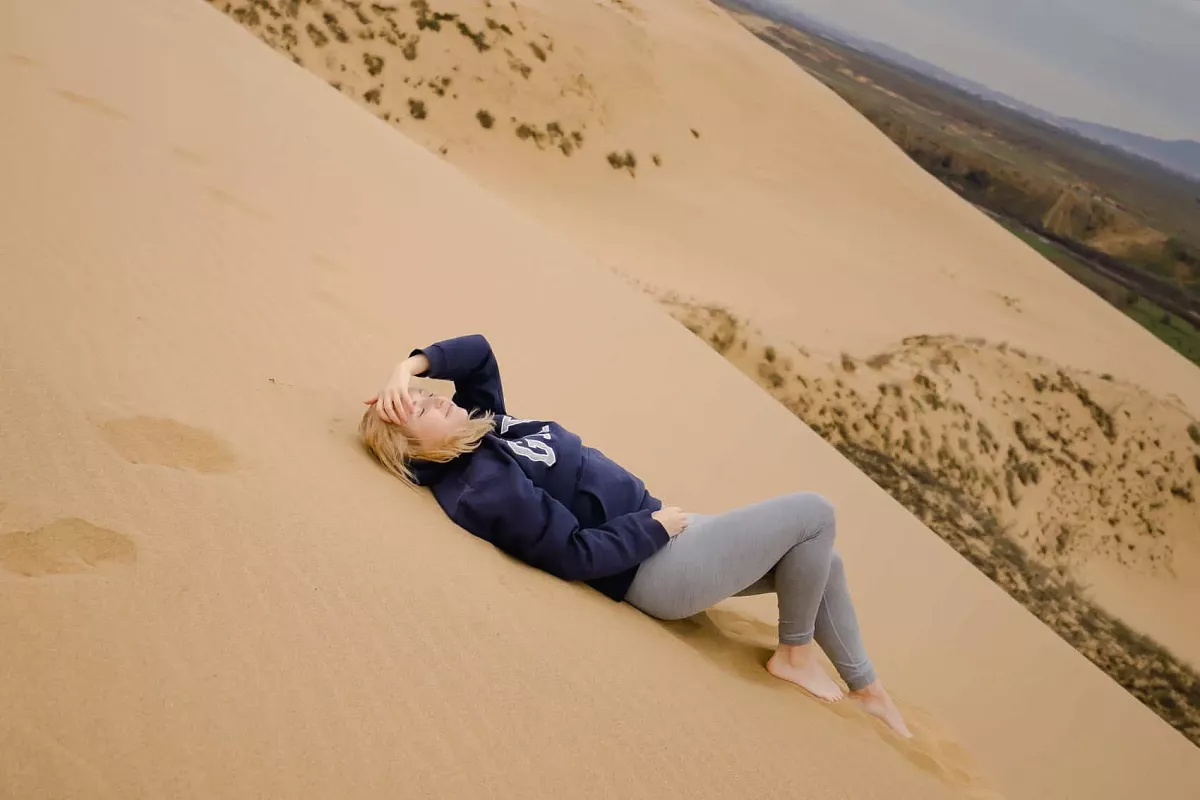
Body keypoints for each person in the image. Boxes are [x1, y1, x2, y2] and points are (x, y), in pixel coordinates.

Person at [360, 334, 911, 737]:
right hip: (652, 567)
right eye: (420, 409)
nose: (435, 398)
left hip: (668, 532)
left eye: (426, 392)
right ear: (417, 450)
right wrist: (651, 528)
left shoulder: (482, 427)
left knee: (822, 562)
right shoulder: (483, 483)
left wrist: (405, 370)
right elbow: (570, 552)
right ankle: (794, 656)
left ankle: (869, 692)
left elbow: (478, 352)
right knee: (814, 514)